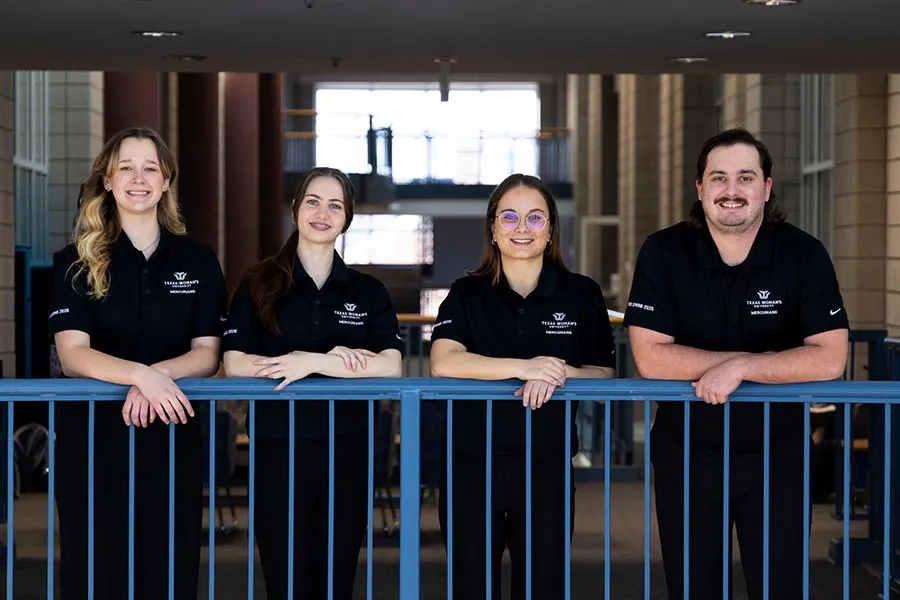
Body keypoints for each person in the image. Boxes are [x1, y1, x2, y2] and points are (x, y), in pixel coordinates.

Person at [623, 128, 849, 600]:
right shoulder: (664, 253)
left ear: (766, 188)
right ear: (700, 188)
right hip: (688, 453)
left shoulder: (802, 254)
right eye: (719, 178)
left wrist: (741, 368)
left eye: (745, 177)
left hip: (779, 454)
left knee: (780, 586)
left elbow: (830, 358)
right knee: (694, 587)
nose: (732, 190)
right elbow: (650, 356)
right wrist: (758, 363)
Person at [48, 126, 227, 600]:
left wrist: (156, 378)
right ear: (107, 180)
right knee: (94, 571)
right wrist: (139, 375)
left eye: (150, 167)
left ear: (166, 180)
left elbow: (208, 354)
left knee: (167, 571)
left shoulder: (199, 261)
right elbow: (72, 355)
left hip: (172, 439)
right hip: (92, 443)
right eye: (125, 167)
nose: (138, 178)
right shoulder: (76, 261)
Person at [429, 173, 617, 599]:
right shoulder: (466, 293)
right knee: (471, 588)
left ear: (550, 229)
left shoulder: (581, 294)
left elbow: (603, 374)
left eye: (535, 218)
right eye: (509, 217)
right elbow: (443, 362)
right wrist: (526, 367)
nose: (521, 228)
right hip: (471, 467)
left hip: (546, 465)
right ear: (493, 228)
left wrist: (557, 373)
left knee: (542, 587)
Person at [222, 167, 404, 599]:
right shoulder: (258, 282)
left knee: (336, 577)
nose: (323, 213)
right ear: (295, 209)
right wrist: (329, 362)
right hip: (277, 448)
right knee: (283, 577)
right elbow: (234, 363)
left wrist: (312, 362)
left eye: (335, 205)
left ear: (347, 218)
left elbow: (392, 364)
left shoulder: (367, 291)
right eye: (313, 202)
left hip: (348, 448)